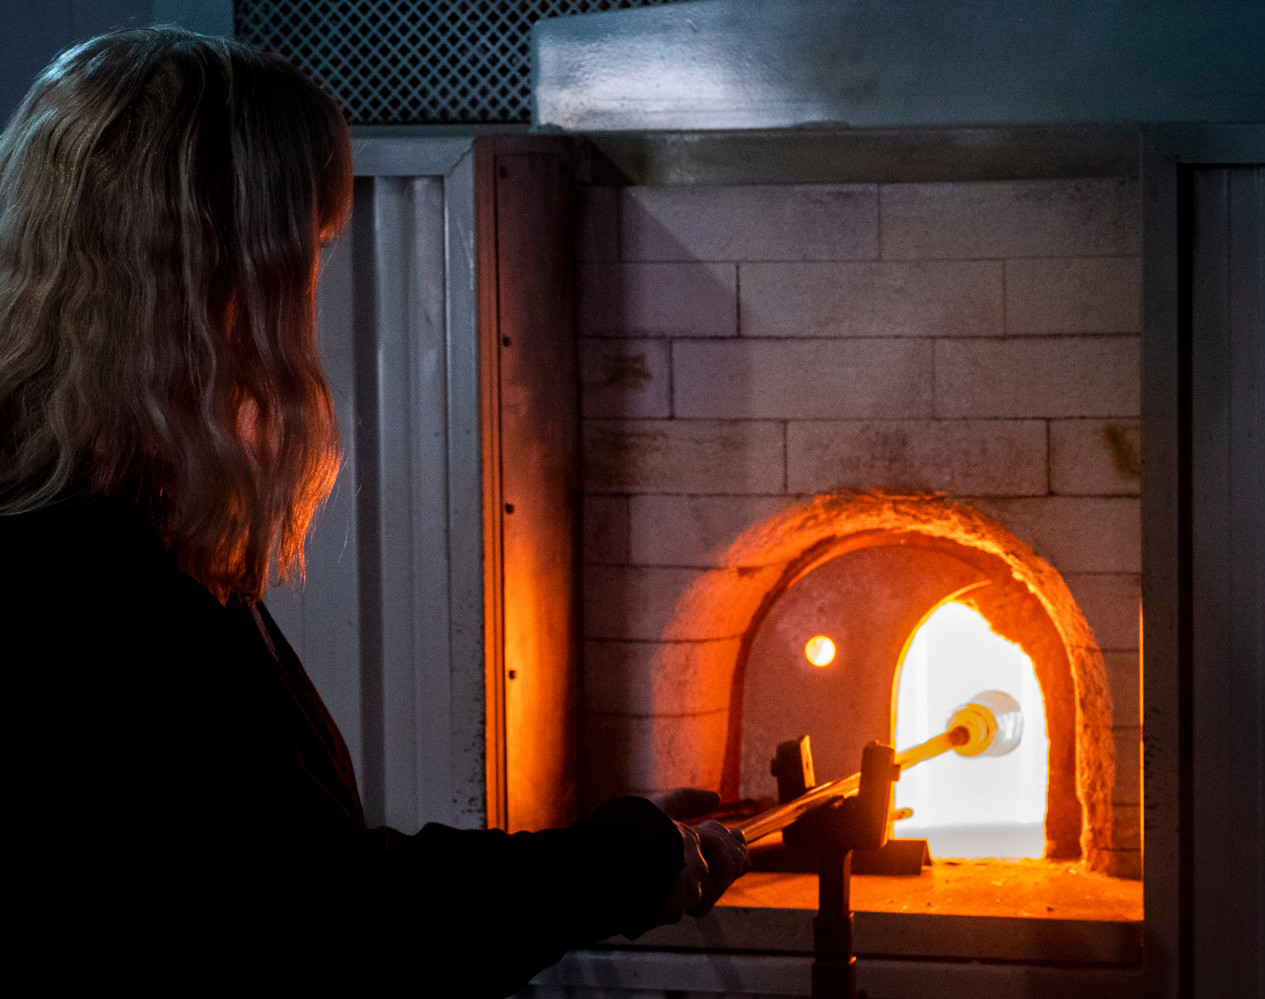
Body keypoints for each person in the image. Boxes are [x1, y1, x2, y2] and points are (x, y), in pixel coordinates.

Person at [0, 28, 748, 991]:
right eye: (304, 255)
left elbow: (276, 870)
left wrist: (613, 850)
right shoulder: (87, 581)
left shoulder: (104, 519)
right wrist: (612, 865)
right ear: (211, 279)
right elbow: (329, 924)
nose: (306, 304)